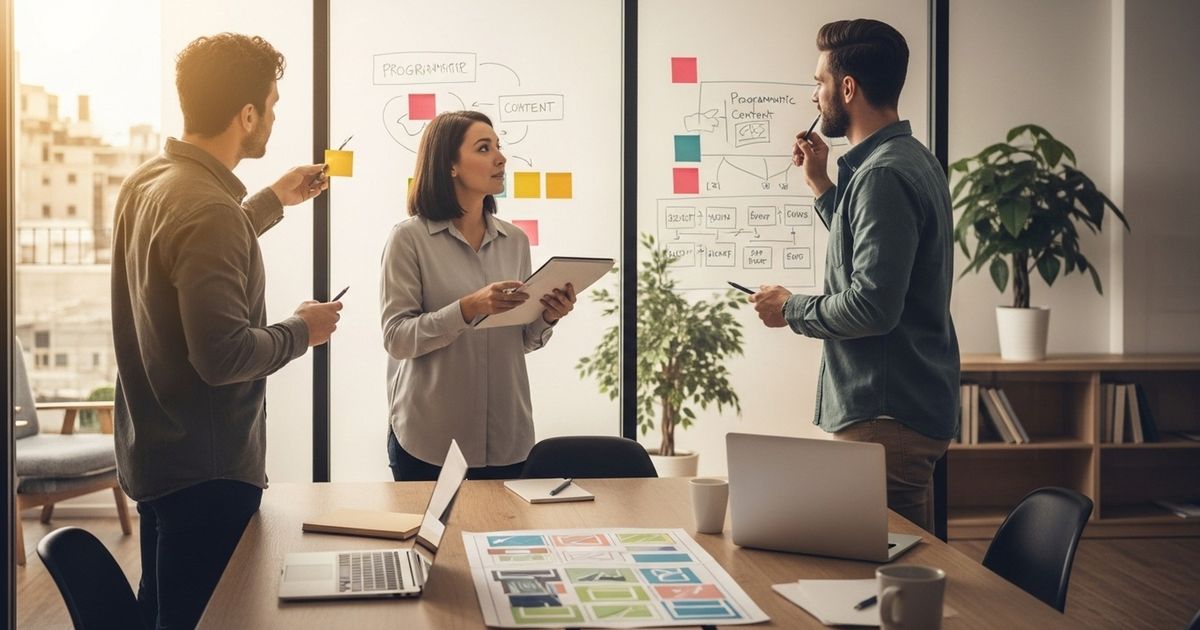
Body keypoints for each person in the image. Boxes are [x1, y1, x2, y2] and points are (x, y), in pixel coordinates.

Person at [110, 33, 341, 628]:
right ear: (246, 115)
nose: (273, 117)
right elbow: (223, 354)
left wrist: (271, 200)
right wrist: (303, 329)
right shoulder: (206, 208)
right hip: (207, 476)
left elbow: (190, 262)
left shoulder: (150, 182)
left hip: (158, 459)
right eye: (272, 105)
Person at [749, 19, 960, 532]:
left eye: (819, 83)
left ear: (848, 88)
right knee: (900, 577)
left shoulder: (883, 175)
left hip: (885, 418)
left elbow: (872, 305)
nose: (816, 97)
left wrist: (790, 309)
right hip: (899, 412)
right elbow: (872, 254)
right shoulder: (908, 160)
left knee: (887, 583)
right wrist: (822, 186)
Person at [380, 110, 576, 481]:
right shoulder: (408, 239)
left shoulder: (514, 240)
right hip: (430, 440)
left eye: (498, 147)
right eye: (484, 148)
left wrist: (547, 317)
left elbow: (520, 341)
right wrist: (467, 309)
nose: (500, 157)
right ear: (450, 165)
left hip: (508, 438)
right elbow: (397, 339)